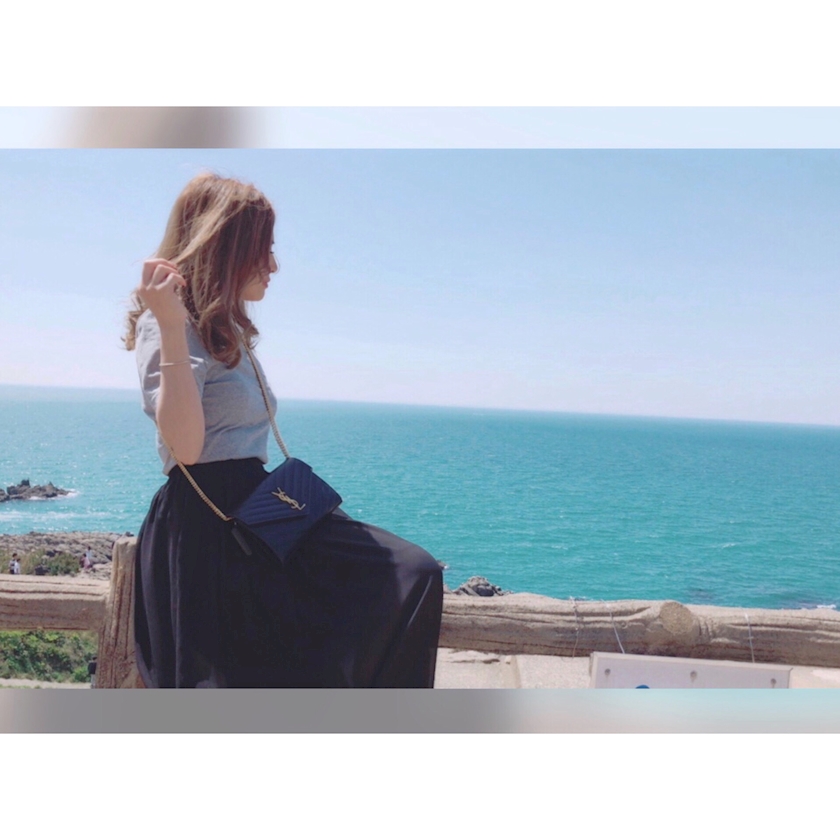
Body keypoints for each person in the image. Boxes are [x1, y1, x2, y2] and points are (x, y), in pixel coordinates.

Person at [124, 173, 443, 688]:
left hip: (255, 508)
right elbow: (185, 446)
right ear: (224, 249)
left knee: (412, 572)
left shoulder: (227, 328)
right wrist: (170, 325)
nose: (273, 265)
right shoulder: (164, 327)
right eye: (262, 249)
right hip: (208, 525)